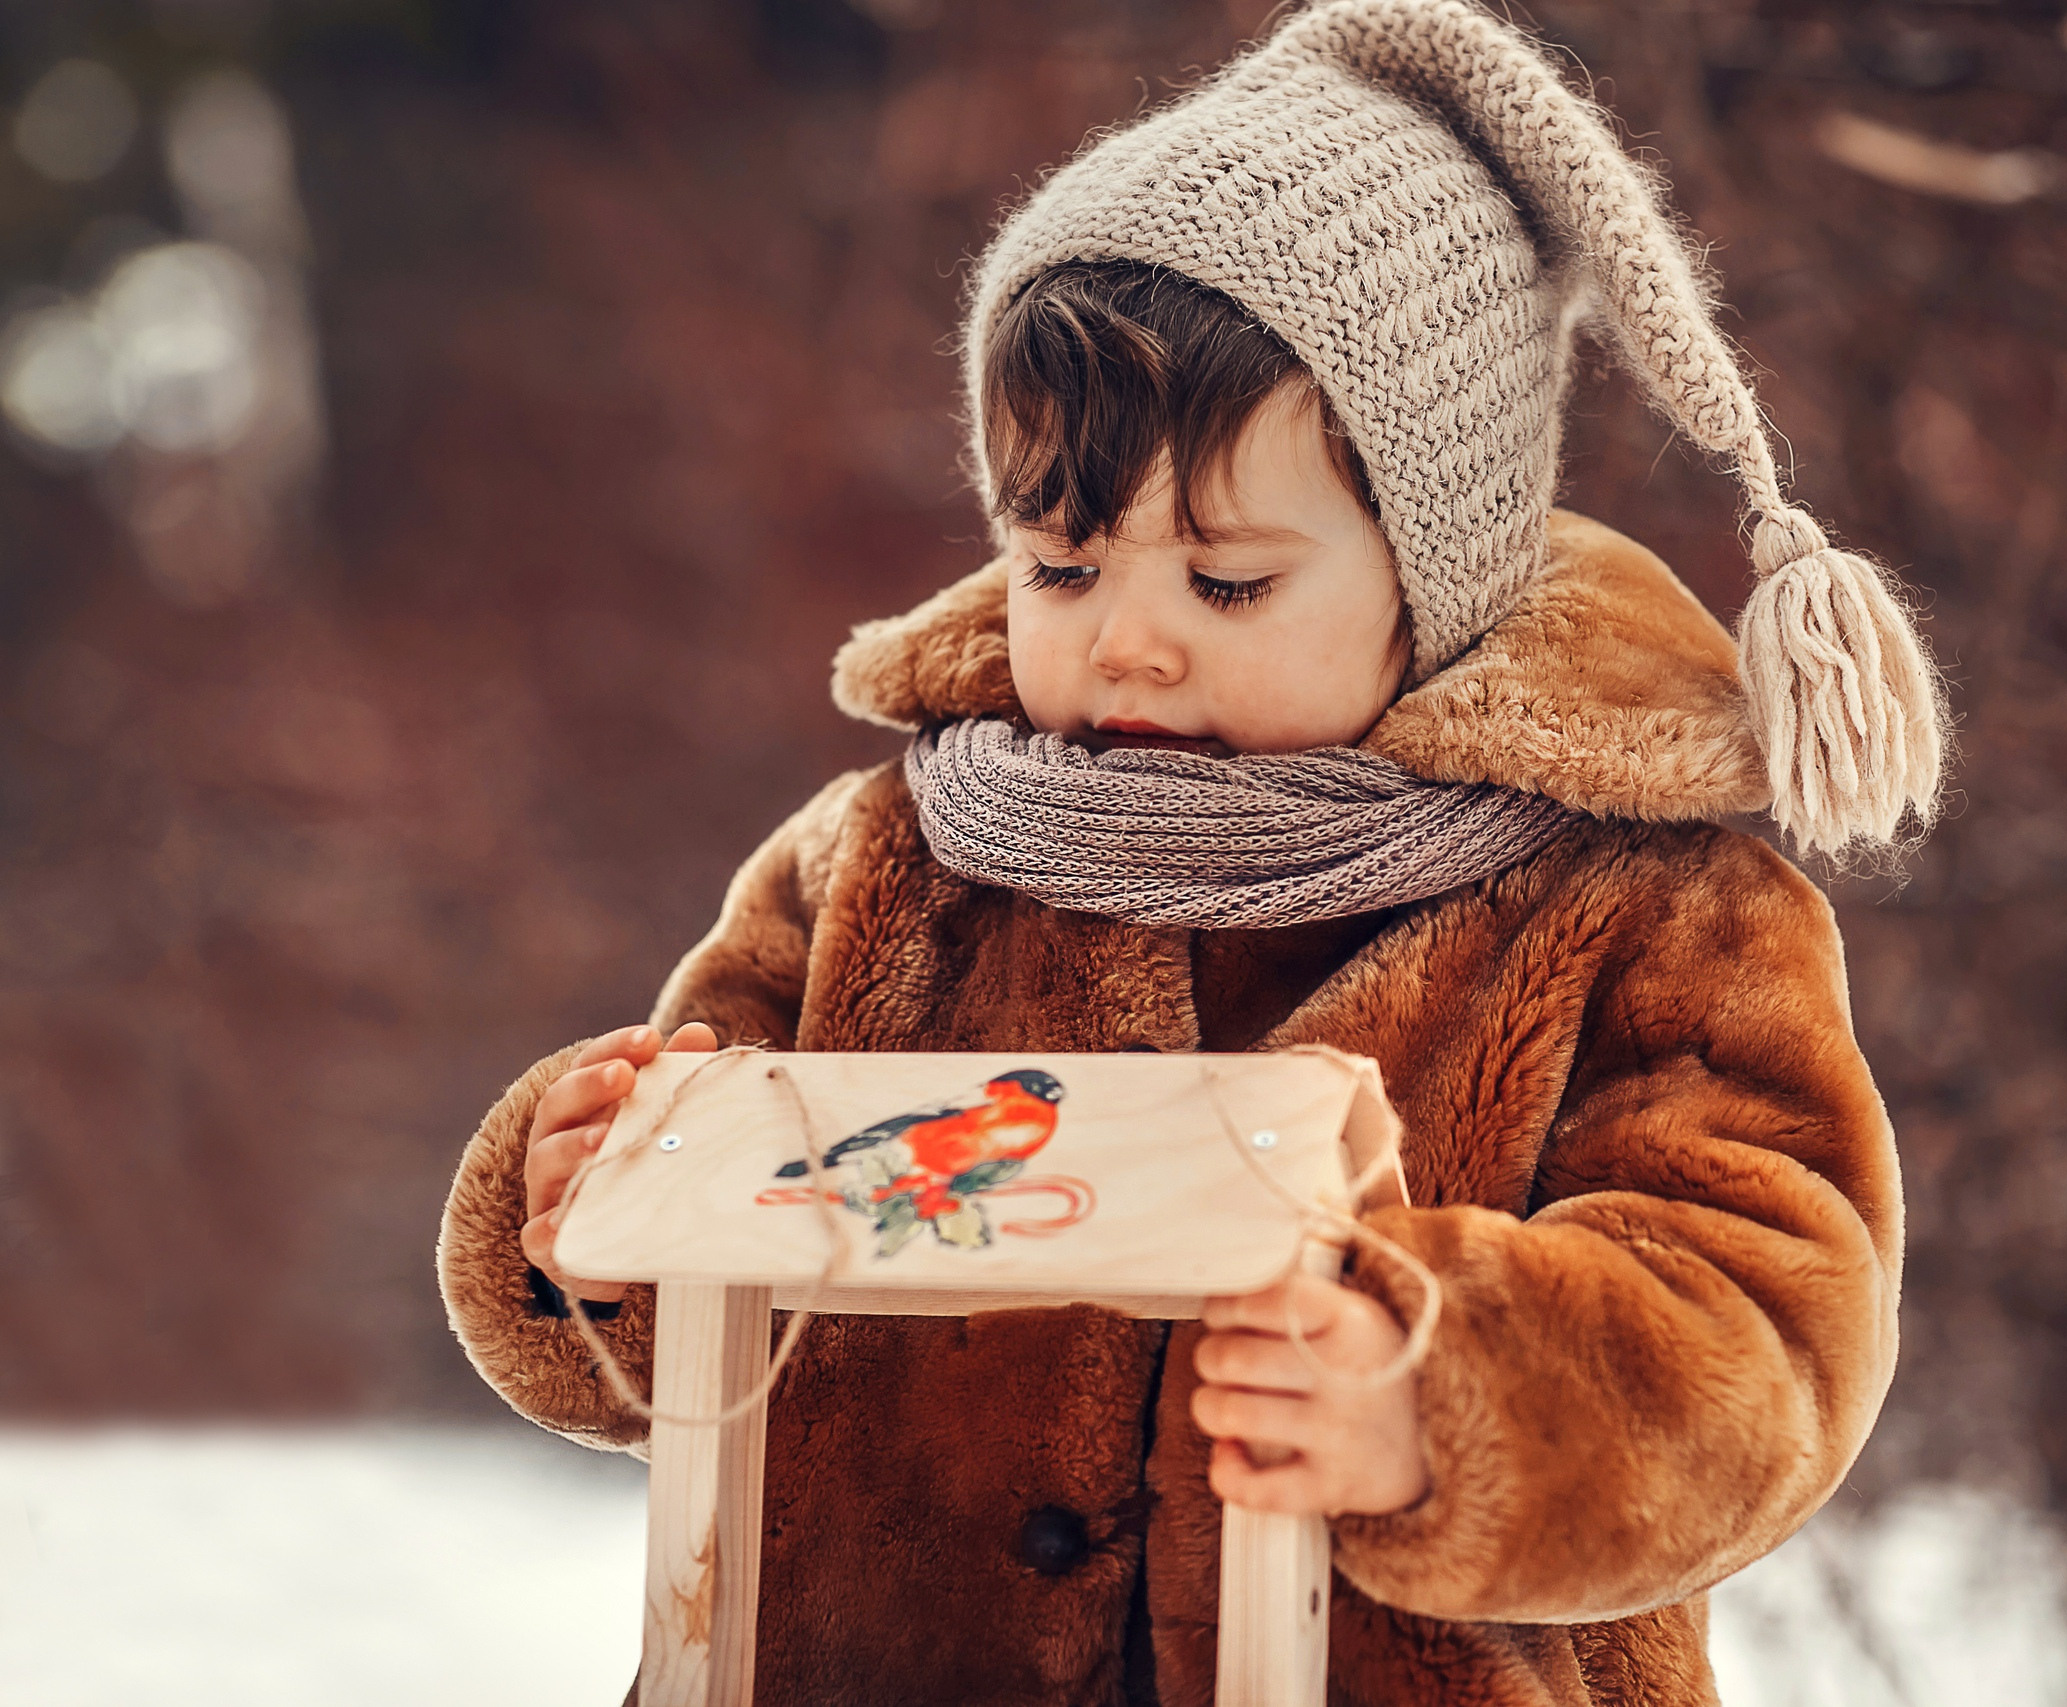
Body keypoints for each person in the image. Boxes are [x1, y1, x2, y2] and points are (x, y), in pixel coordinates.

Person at [435, 2, 1948, 1701]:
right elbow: (703, 1340)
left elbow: (1768, 1332)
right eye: (1062, 569)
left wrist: (1437, 1397)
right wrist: (599, 1235)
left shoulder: (1648, 910)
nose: (1130, 644)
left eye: (1228, 582)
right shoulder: (886, 868)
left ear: (1434, 572)